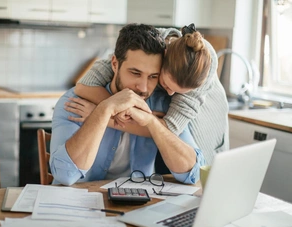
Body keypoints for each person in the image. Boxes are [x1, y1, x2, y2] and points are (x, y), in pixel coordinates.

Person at [50, 23, 205, 186]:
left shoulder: (163, 105)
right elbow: (65, 175)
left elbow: (193, 173)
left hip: (137, 206)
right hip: (81, 204)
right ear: (115, 64)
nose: (144, 88)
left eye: (153, 76)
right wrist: (104, 109)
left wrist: (153, 123)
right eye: (135, 73)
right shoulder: (77, 101)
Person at [73, 24, 229, 166]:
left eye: (178, 93)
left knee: (201, 175)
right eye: (166, 84)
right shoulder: (150, 46)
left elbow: (168, 129)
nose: (169, 93)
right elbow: (83, 86)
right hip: (159, 141)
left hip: (205, 128)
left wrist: (103, 116)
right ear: (163, 59)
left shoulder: (203, 66)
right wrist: (117, 108)